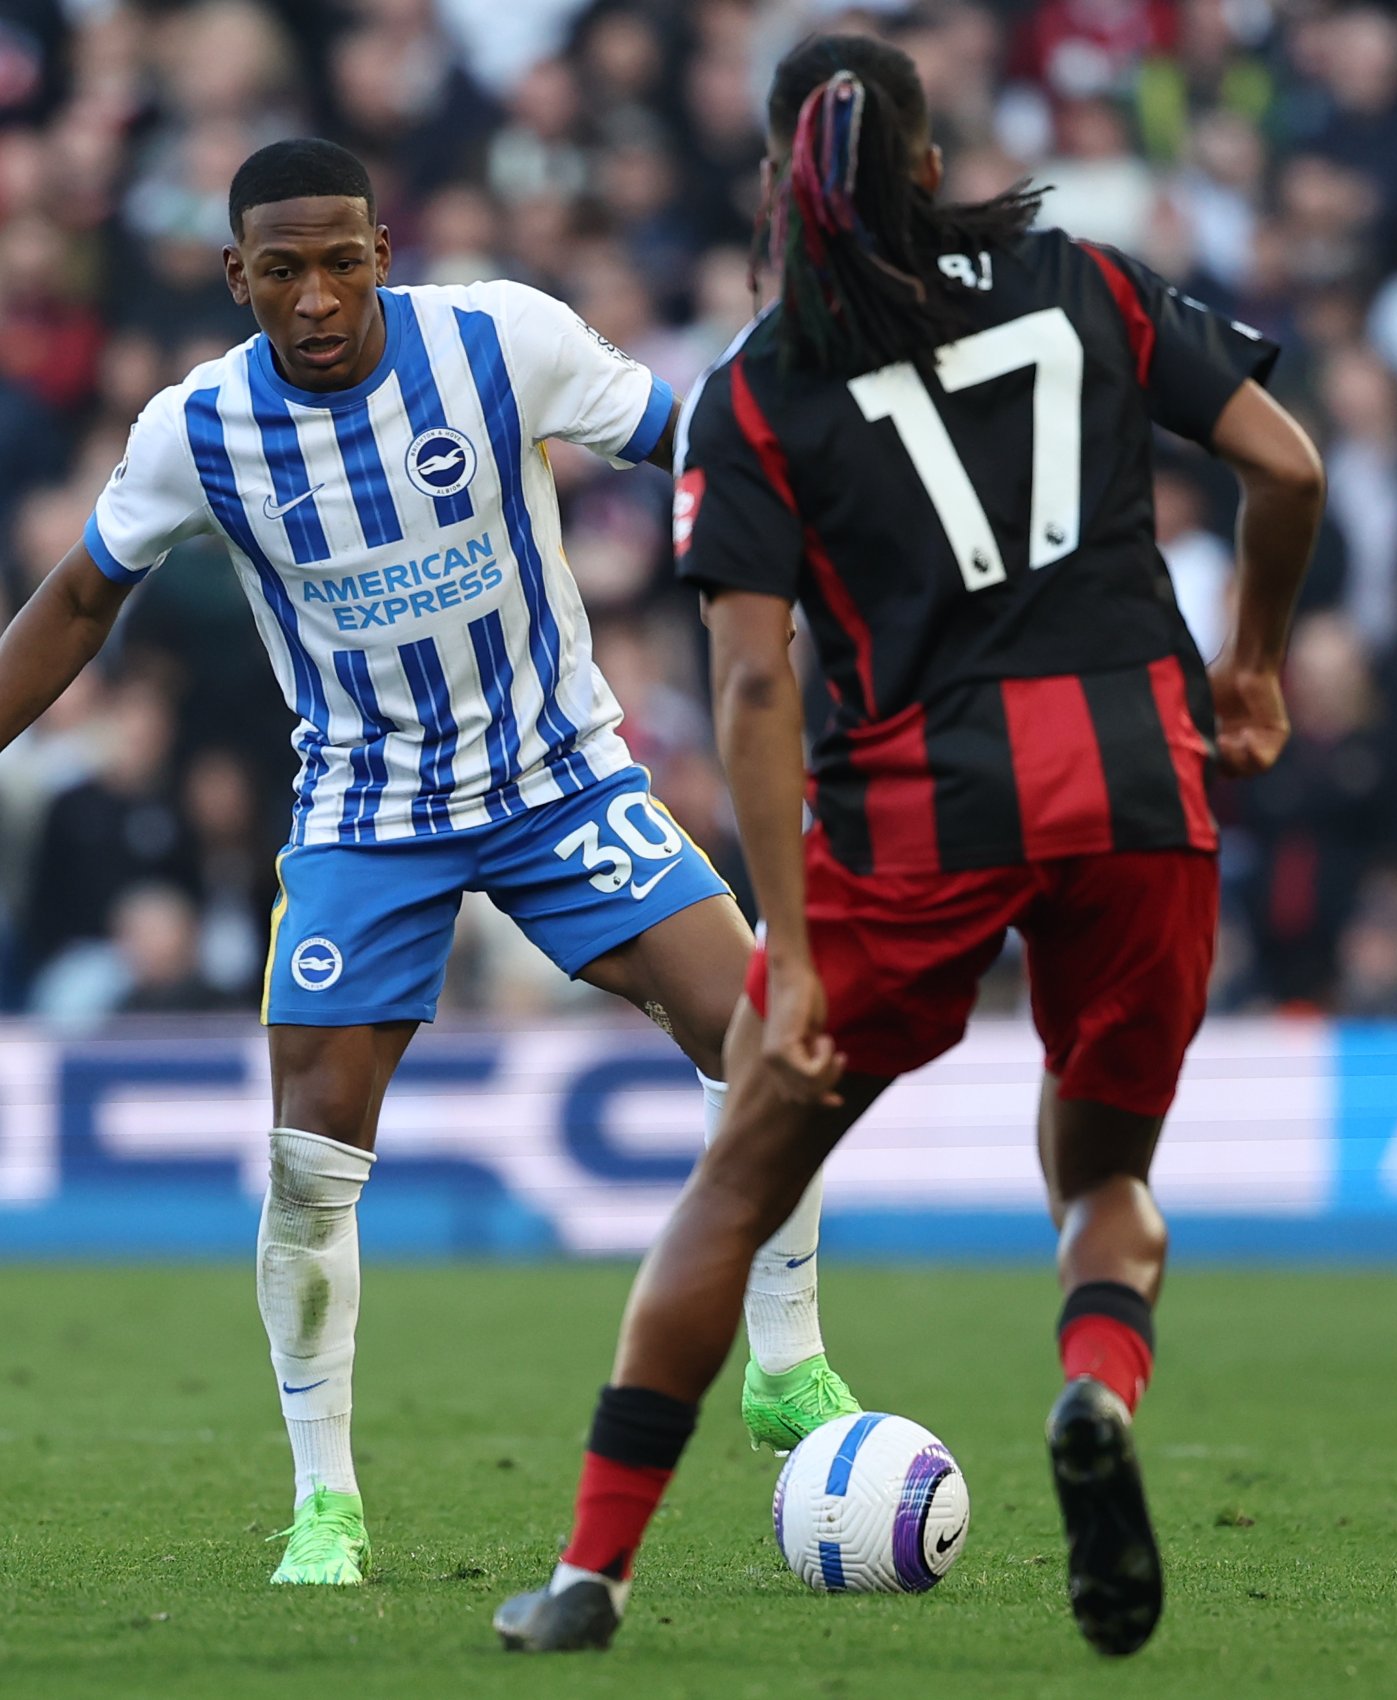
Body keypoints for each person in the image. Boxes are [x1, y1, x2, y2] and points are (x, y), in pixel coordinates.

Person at [495, 33, 1325, 1657]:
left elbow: (751, 678)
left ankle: (589, 1579)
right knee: (1103, 1177)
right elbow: (1285, 469)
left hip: (917, 818)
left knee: (737, 1183)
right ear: (934, 163)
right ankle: (1094, 1389)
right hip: (1141, 790)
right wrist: (1255, 666)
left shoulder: (756, 386)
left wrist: (788, 950)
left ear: (775, 180)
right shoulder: (1084, 280)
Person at [0, 138, 861, 1586]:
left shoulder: (499, 343)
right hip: (367, 812)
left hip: (557, 774)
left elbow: (689, 439)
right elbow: (81, 598)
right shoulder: (196, 430)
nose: (320, 295)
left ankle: (788, 1364)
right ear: (237, 278)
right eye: (284, 270)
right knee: (310, 1159)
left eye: (343, 260)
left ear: (383, 252)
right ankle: (324, 1504)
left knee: (768, 1029)